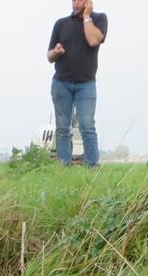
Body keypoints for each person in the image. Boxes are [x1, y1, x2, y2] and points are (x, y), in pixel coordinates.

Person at [47, 0, 107, 166]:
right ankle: (63, 166)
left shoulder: (100, 19)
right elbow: (49, 56)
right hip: (61, 83)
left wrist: (86, 17)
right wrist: (56, 52)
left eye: (80, 0)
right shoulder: (61, 24)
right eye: (73, 0)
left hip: (86, 85)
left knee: (87, 125)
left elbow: (93, 41)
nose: (75, 3)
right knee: (62, 128)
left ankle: (92, 166)